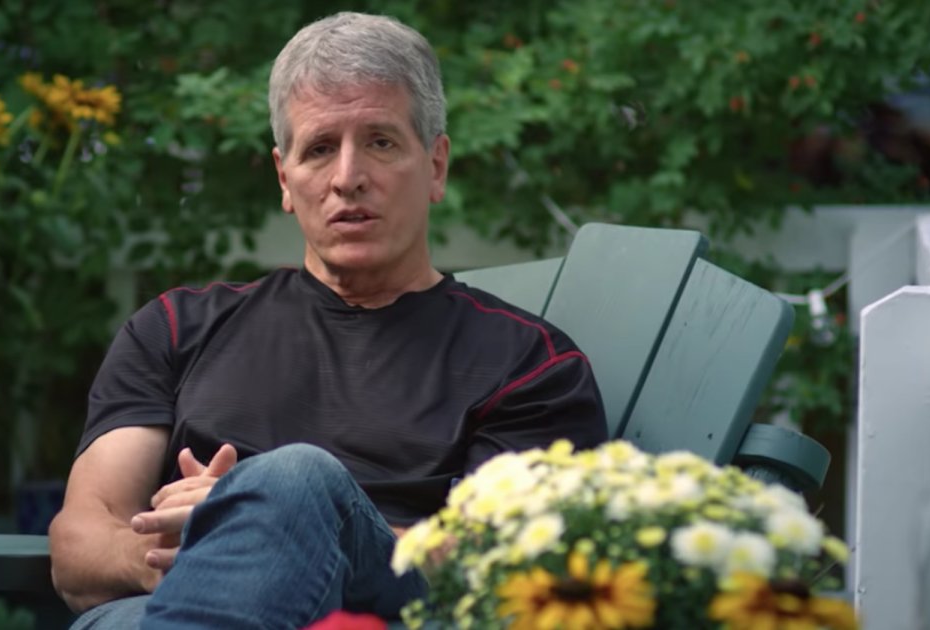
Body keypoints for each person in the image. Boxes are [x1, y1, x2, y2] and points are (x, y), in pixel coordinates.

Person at [48, 11, 607, 629]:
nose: (347, 178)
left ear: (436, 166)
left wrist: (265, 514)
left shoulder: (527, 364)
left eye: (380, 142)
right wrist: (180, 551)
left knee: (294, 480)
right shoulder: (177, 328)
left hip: (385, 612)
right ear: (285, 179)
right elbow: (79, 544)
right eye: (319, 149)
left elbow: (502, 564)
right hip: (151, 605)